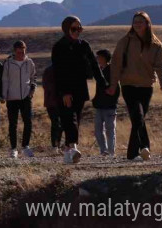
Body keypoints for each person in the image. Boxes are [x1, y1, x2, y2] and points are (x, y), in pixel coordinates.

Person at [108, 11, 162, 161]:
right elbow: (115, 64)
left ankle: (138, 151)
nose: (137, 24)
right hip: (128, 85)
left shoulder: (155, 44)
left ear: (147, 24)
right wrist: (113, 84)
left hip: (146, 86)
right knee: (138, 117)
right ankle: (139, 150)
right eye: (135, 22)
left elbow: (161, 64)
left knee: (138, 120)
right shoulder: (125, 41)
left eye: (140, 22)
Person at [51, 17, 106, 164]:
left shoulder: (84, 45)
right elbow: (58, 72)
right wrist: (64, 92)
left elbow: (94, 65)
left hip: (80, 88)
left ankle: (69, 152)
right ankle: (74, 148)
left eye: (79, 29)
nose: (77, 32)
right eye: (74, 29)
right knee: (70, 119)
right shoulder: (59, 47)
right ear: (66, 29)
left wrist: (102, 82)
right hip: (64, 90)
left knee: (76, 119)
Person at [2, 41, 36, 159]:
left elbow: (33, 77)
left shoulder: (29, 62)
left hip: (26, 97)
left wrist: (32, 91)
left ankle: (25, 146)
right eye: (19, 52)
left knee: (28, 122)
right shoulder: (8, 63)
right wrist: (4, 95)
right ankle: (13, 149)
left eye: (23, 51)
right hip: (12, 98)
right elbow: (5, 79)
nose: (21, 54)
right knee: (13, 124)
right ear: (14, 51)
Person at [93, 50, 120, 157]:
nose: (97, 58)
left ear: (104, 58)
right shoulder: (99, 70)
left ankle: (111, 152)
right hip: (99, 106)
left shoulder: (111, 70)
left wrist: (112, 98)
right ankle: (103, 151)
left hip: (109, 106)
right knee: (98, 130)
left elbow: (116, 88)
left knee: (110, 130)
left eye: (99, 57)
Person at [42, 65, 63, 154]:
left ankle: (57, 145)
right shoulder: (49, 70)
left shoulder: (61, 69)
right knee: (56, 123)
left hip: (61, 102)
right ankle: (54, 146)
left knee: (61, 124)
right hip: (52, 102)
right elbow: (46, 86)